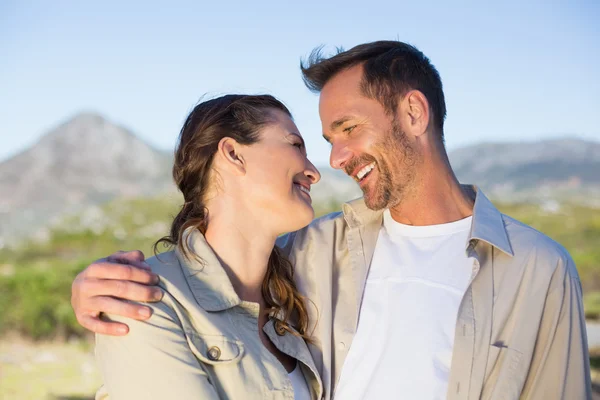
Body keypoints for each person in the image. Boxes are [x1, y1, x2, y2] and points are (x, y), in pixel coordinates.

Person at [72, 41, 591, 399]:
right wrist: (95, 285)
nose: (334, 160)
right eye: (319, 141)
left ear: (413, 113)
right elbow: (209, 263)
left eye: (347, 128)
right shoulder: (315, 248)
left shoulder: (539, 270)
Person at [92, 94, 323, 399]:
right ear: (233, 153)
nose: (314, 172)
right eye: (296, 145)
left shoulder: (297, 298)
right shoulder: (143, 299)